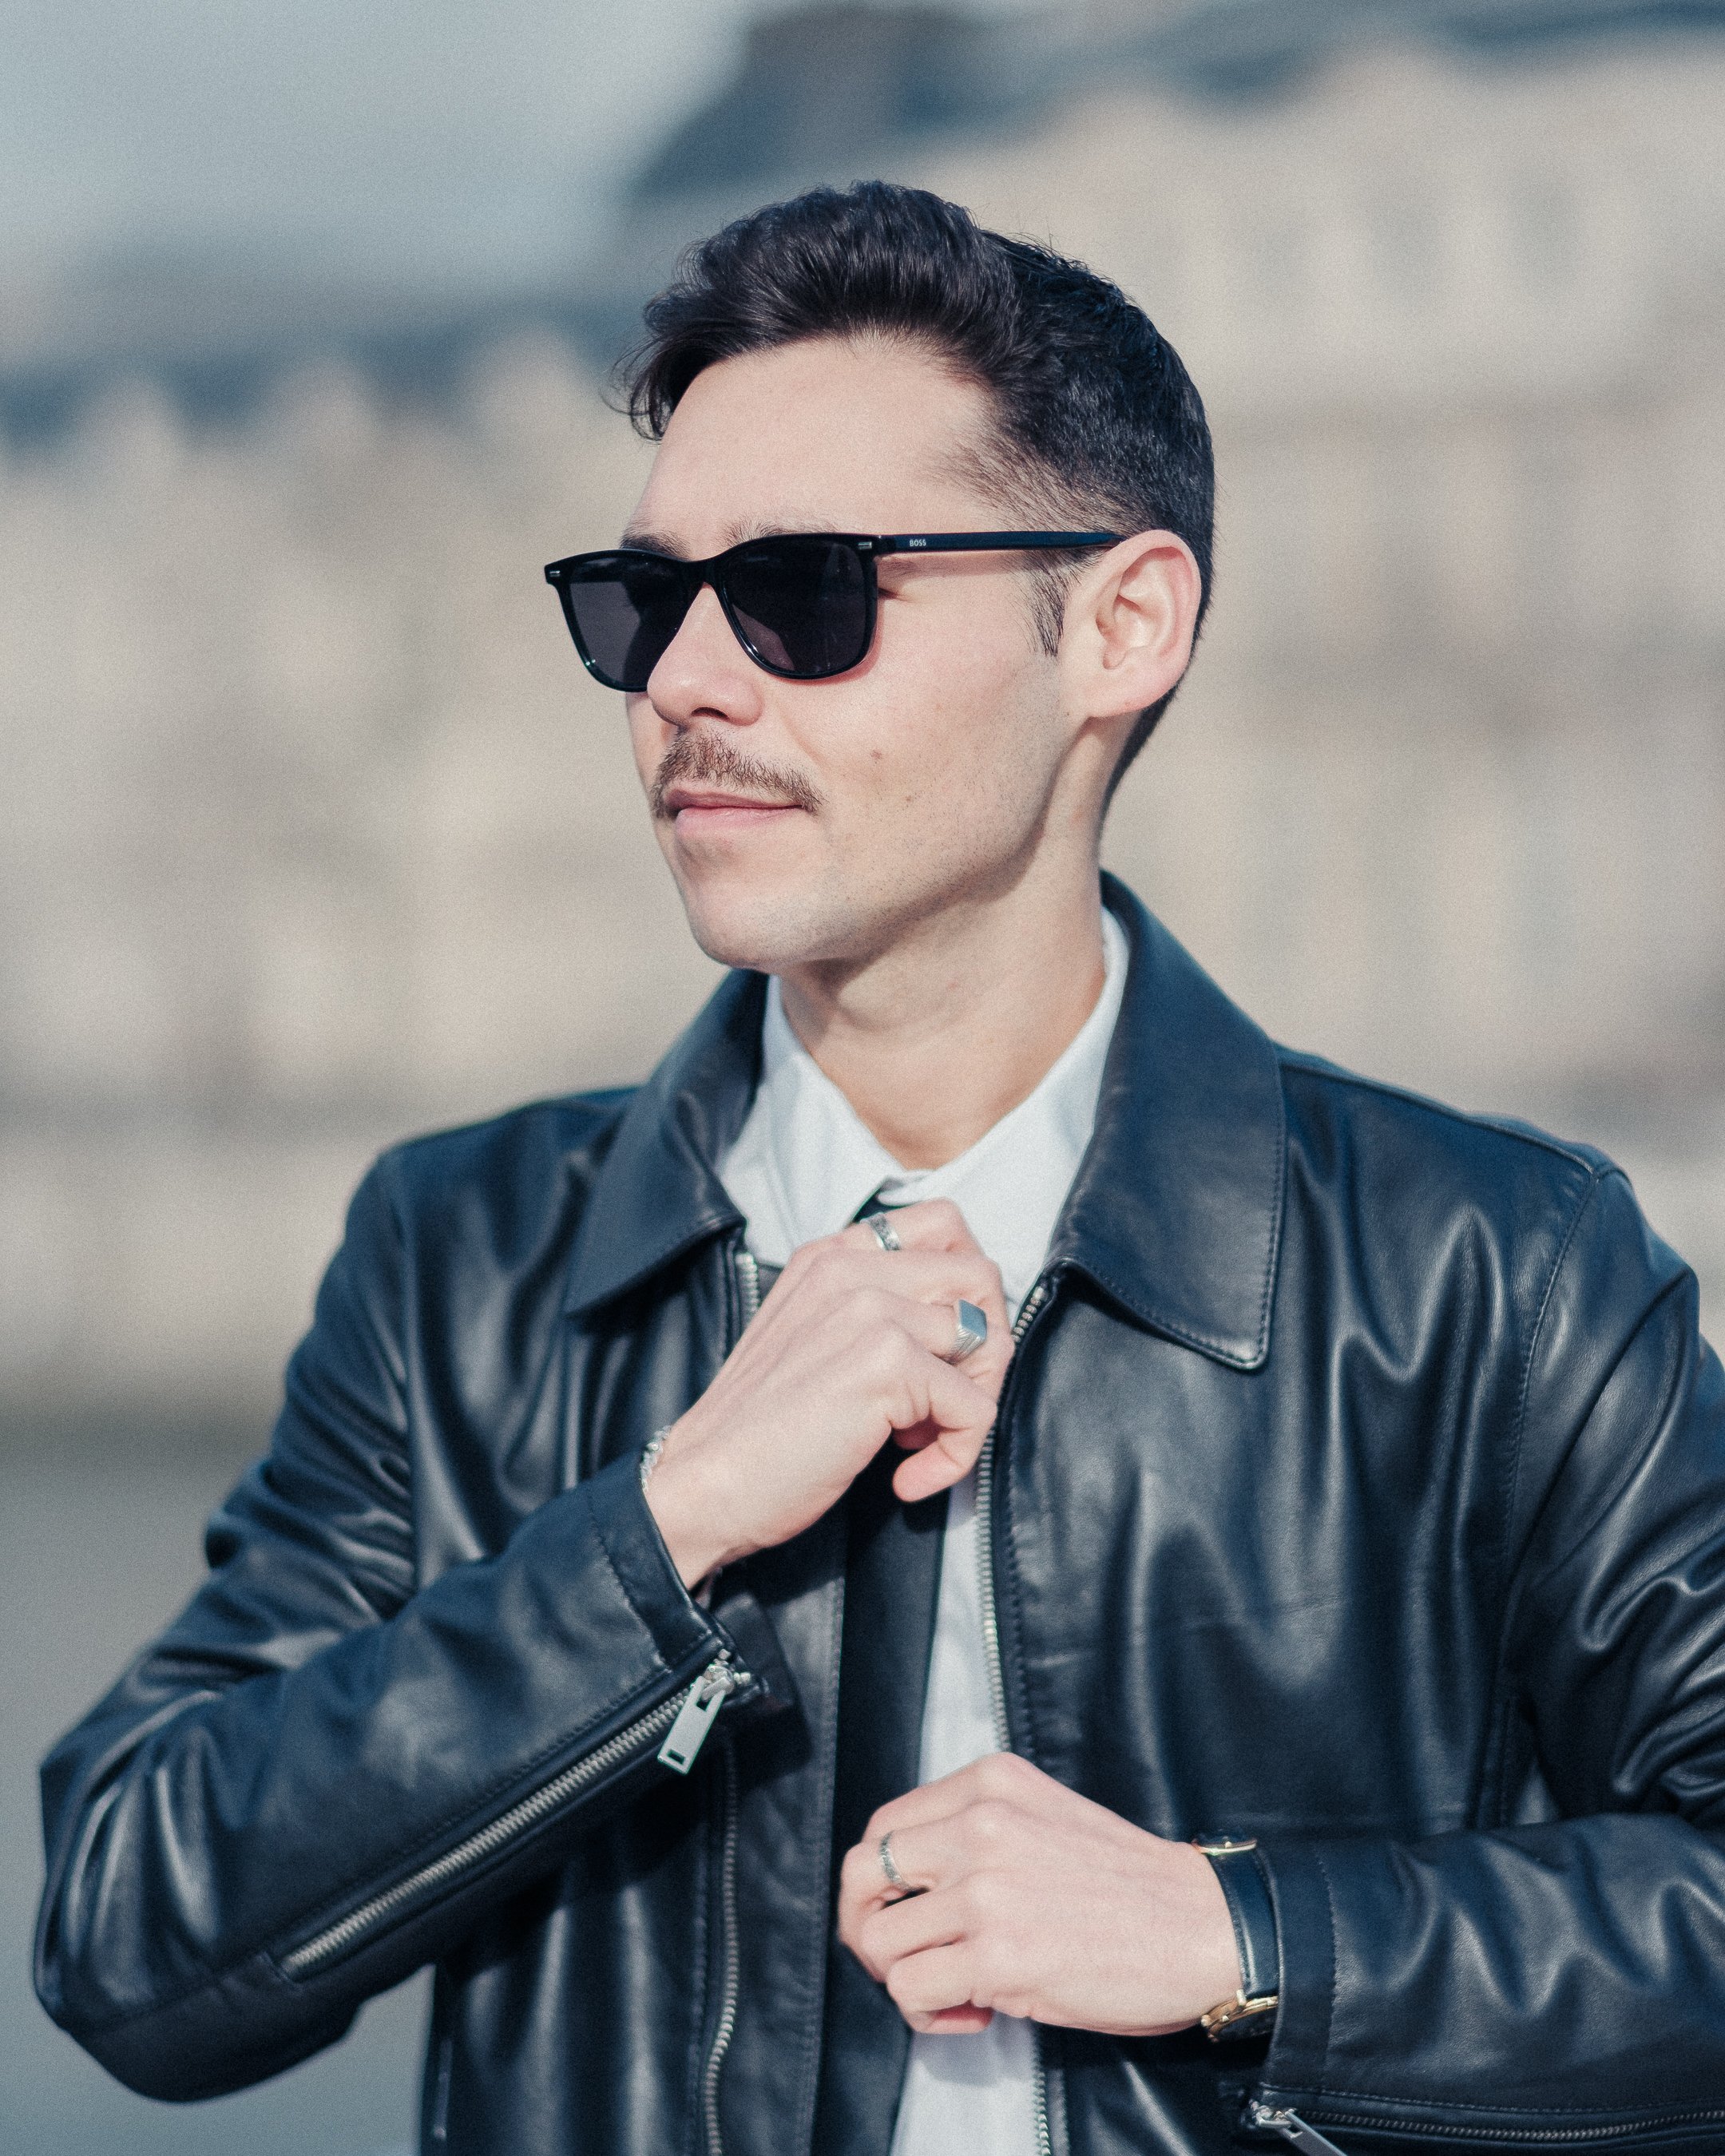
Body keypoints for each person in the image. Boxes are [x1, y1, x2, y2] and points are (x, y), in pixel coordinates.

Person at [34, 181, 1725, 2156]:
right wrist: (653, 1536)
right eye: (642, 603)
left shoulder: (1489, 1275)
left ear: (1121, 623)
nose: (687, 684)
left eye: (806, 594)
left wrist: (1238, 1930)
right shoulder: (471, 1260)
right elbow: (130, 1935)